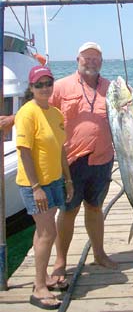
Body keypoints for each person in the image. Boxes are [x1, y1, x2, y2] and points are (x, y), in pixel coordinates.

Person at [50, 41, 118, 285]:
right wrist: (13, 120)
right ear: (77, 60)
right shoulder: (60, 86)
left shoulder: (111, 88)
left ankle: (99, 254)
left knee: (95, 208)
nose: (91, 61)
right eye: (86, 57)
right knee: (68, 211)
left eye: (95, 58)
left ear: (101, 62)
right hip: (71, 162)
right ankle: (60, 261)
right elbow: (39, 112)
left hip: (103, 160)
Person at [15, 65, 74, 310]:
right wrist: (36, 187)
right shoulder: (27, 113)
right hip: (35, 184)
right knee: (48, 232)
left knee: (43, 232)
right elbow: (24, 152)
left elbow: (61, 149)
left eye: (48, 83)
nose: (44, 88)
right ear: (31, 88)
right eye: (39, 84)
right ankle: (38, 288)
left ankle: (44, 278)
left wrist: (68, 179)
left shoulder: (56, 114)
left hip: (54, 181)